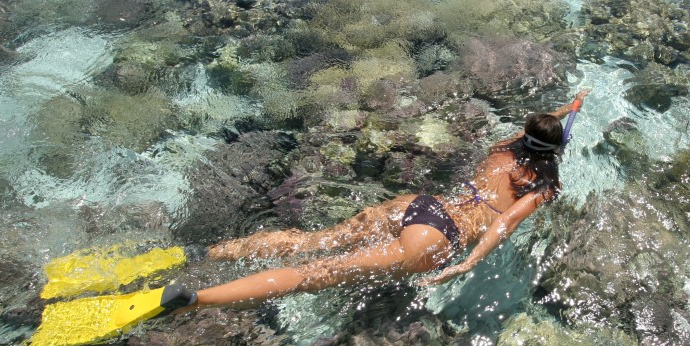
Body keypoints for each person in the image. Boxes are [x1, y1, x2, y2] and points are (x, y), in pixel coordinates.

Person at [169, 90, 590, 312]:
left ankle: (206, 253)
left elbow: (536, 131)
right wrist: (467, 263)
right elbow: (503, 224)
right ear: (555, 150)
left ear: (525, 134)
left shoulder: (502, 148)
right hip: (439, 236)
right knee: (318, 272)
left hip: (418, 205)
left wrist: (567, 108)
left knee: (311, 243)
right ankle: (195, 301)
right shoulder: (545, 185)